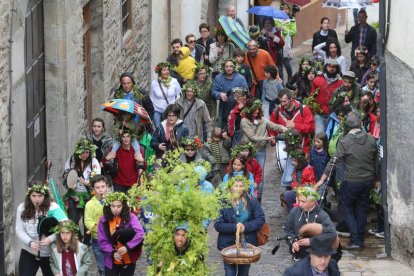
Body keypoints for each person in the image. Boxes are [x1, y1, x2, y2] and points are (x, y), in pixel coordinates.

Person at [316, 111, 379, 250]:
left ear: (347, 126)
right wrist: (376, 178)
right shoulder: (370, 139)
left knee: (347, 208)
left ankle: (356, 239)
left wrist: (322, 180)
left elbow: (333, 162)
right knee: (362, 209)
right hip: (367, 180)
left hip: (351, 180)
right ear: (360, 123)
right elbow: (376, 161)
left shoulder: (345, 141)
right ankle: (359, 238)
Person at [214, 176, 265, 276]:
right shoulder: (223, 202)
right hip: (228, 244)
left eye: (241, 186)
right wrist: (235, 227)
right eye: (235, 186)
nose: (238, 189)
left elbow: (260, 219)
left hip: (247, 244)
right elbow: (218, 225)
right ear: (230, 187)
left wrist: (245, 227)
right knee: (230, 273)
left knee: (244, 273)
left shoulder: (252, 201)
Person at [240, 99, 287, 201]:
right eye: (254, 110)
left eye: (258, 109)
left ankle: (258, 198)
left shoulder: (263, 120)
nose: (257, 112)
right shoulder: (244, 121)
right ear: (249, 110)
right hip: (247, 151)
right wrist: (266, 138)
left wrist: (283, 128)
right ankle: (244, 196)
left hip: (260, 150)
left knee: (259, 175)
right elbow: (252, 137)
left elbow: (273, 125)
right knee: (246, 173)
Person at [16, 183, 67, 276]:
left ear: (45, 195)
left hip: (51, 254)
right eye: (33, 196)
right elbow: (19, 230)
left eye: (40, 196)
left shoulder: (53, 207)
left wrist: (50, 239)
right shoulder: (21, 208)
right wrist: (30, 242)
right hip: (29, 251)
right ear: (29, 195)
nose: (37, 199)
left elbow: (66, 227)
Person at [62, 138, 101, 244]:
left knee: (86, 220)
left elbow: (97, 179)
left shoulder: (93, 162)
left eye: (87, 152)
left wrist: (87, 183)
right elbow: (65, 176)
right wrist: (70, 184)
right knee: (73, 218)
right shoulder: (71, 161)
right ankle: (77, 238)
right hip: (73, 195)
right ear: (78, 152)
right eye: (83, 152)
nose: (85, 154)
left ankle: (87, 241)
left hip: (89, 195)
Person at [283, 186, 338, 260]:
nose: (300, 204)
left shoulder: (322, 215)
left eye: (303, 201)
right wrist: (293, 242)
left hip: (316, 257)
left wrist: (311, 241)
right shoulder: (295, 211)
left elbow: (332, 234)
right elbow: (287, 229)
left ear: (312, 201)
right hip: (299, 256)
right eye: (299, 201)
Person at [97, 192, 145, 275]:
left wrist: (128, 247)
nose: (116, 209)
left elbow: (140, 233)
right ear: (109, 206)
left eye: (119, 206)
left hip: (128, 258)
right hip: (111, 261)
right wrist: (112, 253)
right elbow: (102, 241)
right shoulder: (103, 220)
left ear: (123, 206)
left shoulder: (131, 217)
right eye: (113, 206)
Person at [269, 88, 315, 153]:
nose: (282, 104)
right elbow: (271, 126)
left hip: (301, 148)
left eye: (284, 101)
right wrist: (272, 137)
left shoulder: (304, 110)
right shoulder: (276, 112)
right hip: (283, 148)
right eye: (280, 101)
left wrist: (295, 125)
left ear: (291, 99)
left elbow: (311, 128)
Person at [211, 59, 248, 130]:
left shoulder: (241, 78)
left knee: (236, 128)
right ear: (223, 68)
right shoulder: (218, 78)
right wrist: (220, 94)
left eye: (231, 66)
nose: (229, 68)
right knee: (222, 129)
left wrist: (240, 98)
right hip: (223, 106)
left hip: (237, 107)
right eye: (227, 66)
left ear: (234, 67)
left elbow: (246, 93)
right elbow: (213, 91)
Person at [84, 175, 110, 276]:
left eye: (103, 187)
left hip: (112, 238)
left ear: (107, 186)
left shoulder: (112, 200)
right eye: (97, 187)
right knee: (102, 267)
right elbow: (87, 221)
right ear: (93, 189)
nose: (101, 190)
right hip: (97, 239)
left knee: (113, 265)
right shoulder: (89, 204)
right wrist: (98, 227)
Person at [310, 59, 343, 134]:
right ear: (325, 67)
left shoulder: (341, 83)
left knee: (331, 136)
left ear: (337, 68)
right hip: (319, 115)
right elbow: (312, 98)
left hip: (333, 115)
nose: (331, 68)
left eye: (334, 67)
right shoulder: (317, 80)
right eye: (329, 66)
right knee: (319, 135)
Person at [104, 128, 142, 193]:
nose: (126, 139)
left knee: (132, 203)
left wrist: (140, 166)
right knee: (118, 203)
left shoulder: (136, 150)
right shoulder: (116, 149)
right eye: (123, 137)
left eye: (128, 136)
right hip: (118, 182)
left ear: (131, 138)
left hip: (133, 183)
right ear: (120, 138)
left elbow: (144, 166)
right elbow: (105, 162)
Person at [150, 62, 181, 128]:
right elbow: (152, 97)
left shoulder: (174, 81)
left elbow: (178, 95)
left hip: (170, 112)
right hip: (157, 111)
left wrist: (175, 106)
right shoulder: (154, 83)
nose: (166, 72)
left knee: (169, 129)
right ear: (159, 72)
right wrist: (154, 108)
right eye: (164, 70)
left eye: (167, 69)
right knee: (159, 130)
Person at [275, 4, 297, 83]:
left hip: (286, 44)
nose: (285, 10)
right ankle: (281, 82)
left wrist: (285, 30)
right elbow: (273, 29)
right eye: (283, 9)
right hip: (277, 43)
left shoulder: (291, 19)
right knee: (279, 64)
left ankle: (290, 81)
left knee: (287, 62)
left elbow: (294, 32)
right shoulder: (276, 19)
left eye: (287, 9)